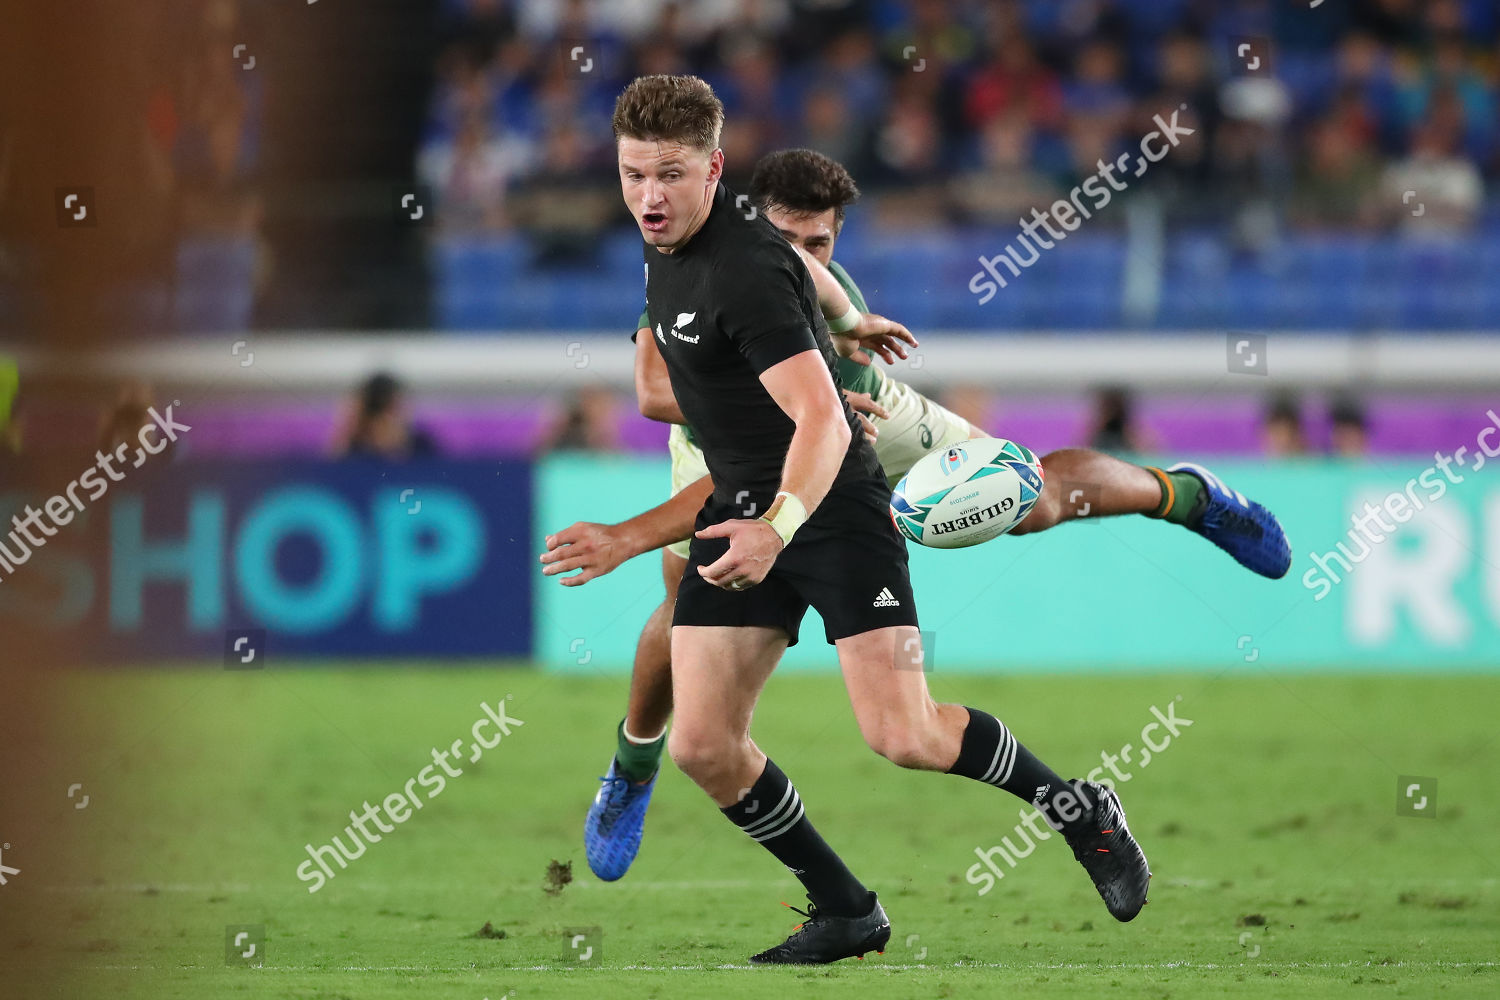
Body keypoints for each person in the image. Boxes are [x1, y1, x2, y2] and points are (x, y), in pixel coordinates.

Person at [544, 143, 1294, 916]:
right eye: (790, 240)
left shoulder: (813, 291)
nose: (805, 259)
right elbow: (657, 390)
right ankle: (634, 766)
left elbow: (818, 421)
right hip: (734, 441)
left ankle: (1183, 495)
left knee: (1028, 497)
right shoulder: (704, 263)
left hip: (860, 421)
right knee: (680, 605)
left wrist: (822, 406)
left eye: (821, 245)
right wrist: (782, 409)